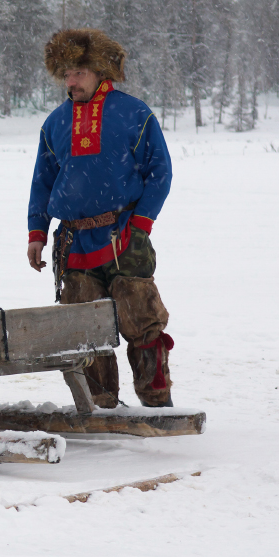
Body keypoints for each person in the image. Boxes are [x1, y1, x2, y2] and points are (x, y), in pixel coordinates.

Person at [26, 28, 174, 408]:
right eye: (65, 73)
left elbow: (160, 171)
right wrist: (37, 233)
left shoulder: (133, 113)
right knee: (83, 333)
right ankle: (100, 412)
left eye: (77, 72)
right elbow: (42, 182)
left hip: (123, 235)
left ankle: (158, 407)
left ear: (98, 71)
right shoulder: (55, 122)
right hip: (74, 243)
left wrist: (141, 225)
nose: (69, 81)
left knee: (141, 322)